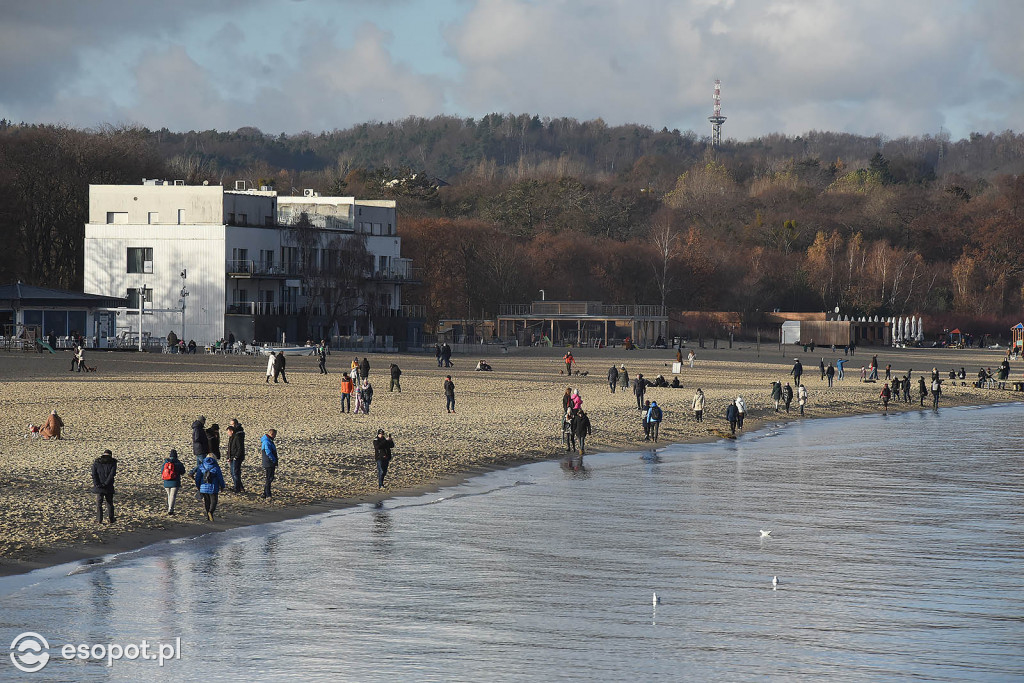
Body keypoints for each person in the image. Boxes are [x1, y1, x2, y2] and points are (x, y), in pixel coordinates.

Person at [194, 455, 225, 521]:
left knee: (207, 501)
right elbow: (220, 478)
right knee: (214, 501)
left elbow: (198, 477)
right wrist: (222, 486)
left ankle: (208, 516)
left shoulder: (201, 466)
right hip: (213, 487)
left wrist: (198, 485)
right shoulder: (216, 467)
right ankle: (210, 512)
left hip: (203, 486)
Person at [91, 448, 117, 523]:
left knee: (99, 503)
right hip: (108, 486)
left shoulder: (97, 462)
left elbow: (94, 474)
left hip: (99, 486)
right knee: (109, 502)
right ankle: (111, 519)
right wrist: (106, 483)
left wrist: (97, 484)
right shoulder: (113, 463)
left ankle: (99, 519)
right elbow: (112, 475)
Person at [161, 448, 186, 515]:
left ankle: (170, 508)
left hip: (166, 481)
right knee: (173, 496)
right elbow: (183, 472)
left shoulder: (165, 462)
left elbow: (162, 471)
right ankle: (170, 509)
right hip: (175, 482)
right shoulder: (178, 463)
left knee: (169, 495)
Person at [227, 423, 245, 493]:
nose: (228, 433)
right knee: (233, 473)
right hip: (232, 457)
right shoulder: (232, 437)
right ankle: (239, 487)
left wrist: (236, 457)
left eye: (228, 432)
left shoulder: (237, 437)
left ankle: (237, 488)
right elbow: (230, 448)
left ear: (232, 431)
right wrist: (228, 457)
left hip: (236, 458)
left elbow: (239, 448)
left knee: (235, 473)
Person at [261, 429, 278, 499]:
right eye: (275, 435)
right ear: (272, 434)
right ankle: (268, 494)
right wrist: (273, 460)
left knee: (270, 478)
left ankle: (265, 493)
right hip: (269, 463)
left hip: (269, 462)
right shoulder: (267, 441)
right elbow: (268, 452)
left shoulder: (269, 441)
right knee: (269, 478)